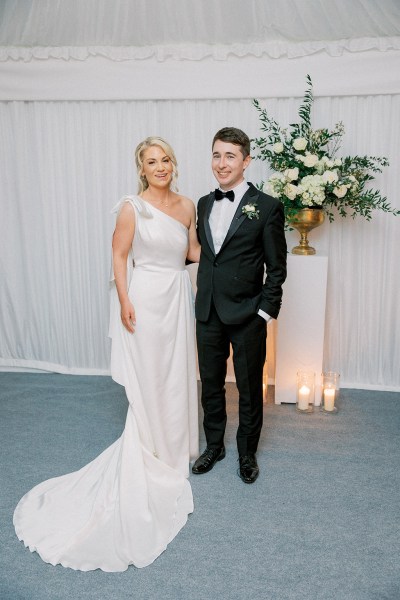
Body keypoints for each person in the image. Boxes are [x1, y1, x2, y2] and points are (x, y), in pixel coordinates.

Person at [13, 137, 200, 571]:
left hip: (176, 300)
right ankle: (151, 449)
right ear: (141, 168)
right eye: (151, 161)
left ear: (174, 163)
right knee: (150, 375)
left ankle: (175, 448)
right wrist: (124, 301)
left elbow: (190, 253)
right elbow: (118, 255)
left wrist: (231, 249)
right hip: (145, 298)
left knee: (175, 374)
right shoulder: (132, 207)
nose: (160, 166)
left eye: (166, 159)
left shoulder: (188, 205)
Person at [192, 127, 287, 484]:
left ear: (246, 161)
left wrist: (264, 311)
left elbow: (277, 267)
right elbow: (207, 258)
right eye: (216, 155)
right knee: (211, 384)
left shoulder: (267, 207)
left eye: (230, 156)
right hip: (208, 312)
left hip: (248, 313)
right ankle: (214, 445)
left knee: (249, 388)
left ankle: (247, 453)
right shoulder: (203, 203)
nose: (221, 163)